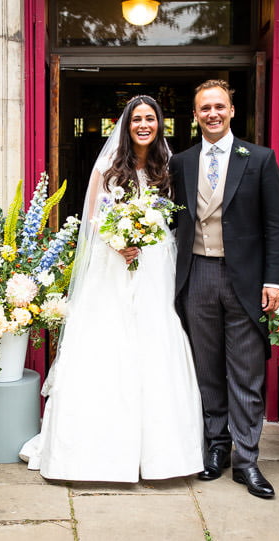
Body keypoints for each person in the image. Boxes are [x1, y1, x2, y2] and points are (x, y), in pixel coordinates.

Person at [19, 96, 204, 482]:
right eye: (136, 118)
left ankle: (160, 455)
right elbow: (92, 220)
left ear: (159, 124)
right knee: (107, 343)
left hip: (155, 263)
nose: (143, 125)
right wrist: (116, 240)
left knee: (156, 342)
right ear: (125, 124)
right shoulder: (108, 169)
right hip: (113, 264)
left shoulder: (170, 168)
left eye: (150, 119)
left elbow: (178, 219)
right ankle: (96, 452)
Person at [171, 80, 279, 499]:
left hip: (246, 281)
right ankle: (215, 449)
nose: (213, 114)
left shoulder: (259, 159)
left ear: (232, 111)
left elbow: (275, 226)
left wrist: (275, 279)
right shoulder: (181, 162)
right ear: (196, 114)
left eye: (219, 106)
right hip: (197, 275)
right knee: (206, 370)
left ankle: (248, 461)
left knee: (246, 372)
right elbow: (171, 220)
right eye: (205, 108)